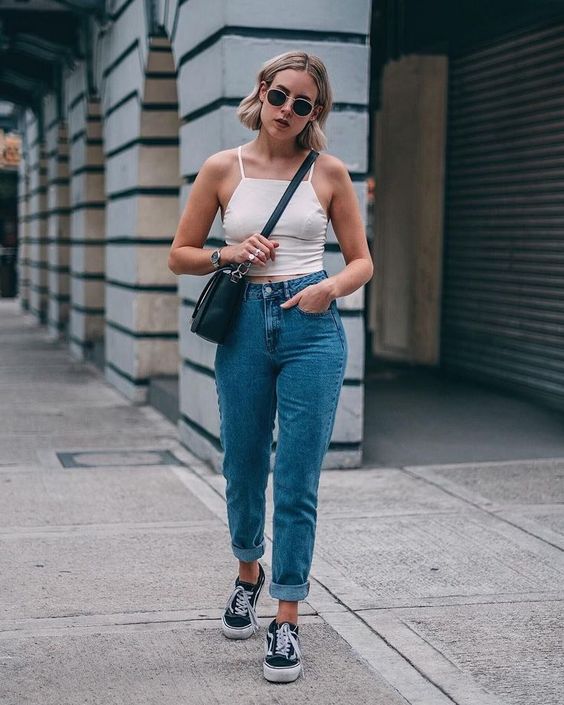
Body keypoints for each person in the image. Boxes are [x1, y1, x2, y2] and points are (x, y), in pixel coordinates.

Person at [168, 51, 373, 683]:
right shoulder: (221, 168)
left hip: (311, 325)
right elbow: (179, 255)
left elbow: (362, 262)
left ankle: (287, 618)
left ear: (315, 112)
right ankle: (247, 573)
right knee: (244, 462)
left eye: (302, 103)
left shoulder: (330, 172)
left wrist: (329, 289)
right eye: (280, 95)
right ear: (262, 91)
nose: (287, 110)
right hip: (246, 326)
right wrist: (227, 251)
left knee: (297, 476)